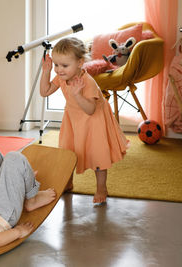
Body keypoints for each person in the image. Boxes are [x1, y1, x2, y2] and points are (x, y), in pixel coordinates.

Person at [40, 37, 129, 204]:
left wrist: (77, 95)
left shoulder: (87, 82)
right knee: (68, 151)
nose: (59, 70)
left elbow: (90, 110)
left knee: (97, 155)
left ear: (80, 63)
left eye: (64, 65)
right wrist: (46, 71)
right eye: (57, 65)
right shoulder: (62, 76)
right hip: (73, 119)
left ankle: (101, 188)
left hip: (93, 120)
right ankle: (68, 182)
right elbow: (44, 92)